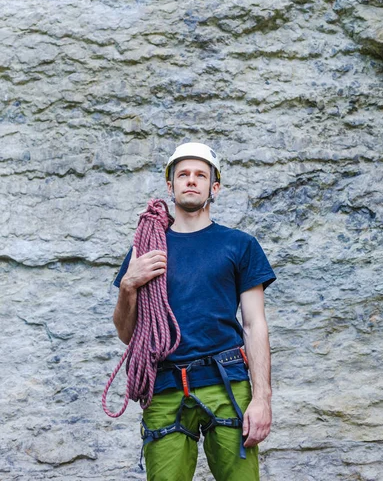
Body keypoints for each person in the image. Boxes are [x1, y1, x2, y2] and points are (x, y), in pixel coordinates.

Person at [112, 142, 276, 481]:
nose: (191, 180)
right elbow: (127, 334)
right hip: (165, 385)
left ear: (214, 187)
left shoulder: (240, 245)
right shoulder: (145, 250)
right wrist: (129, 284)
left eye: (200, 175)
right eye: (182, 174)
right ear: (170, 185)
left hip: (226, 382)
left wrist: (261, 399)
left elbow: (254, 324)